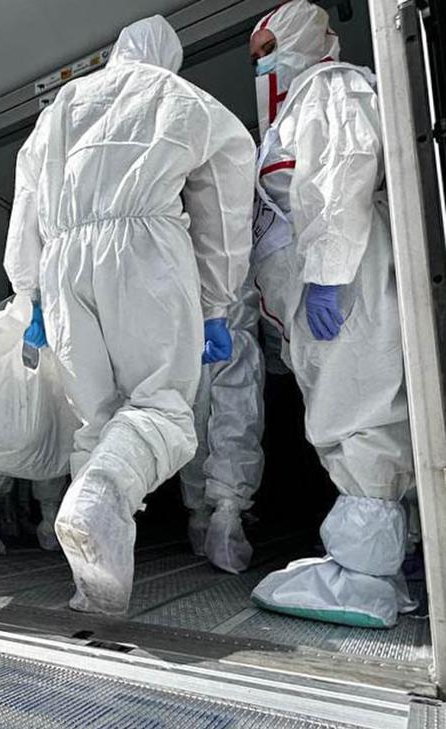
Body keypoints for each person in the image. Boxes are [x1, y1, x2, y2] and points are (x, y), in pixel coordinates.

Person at [4, 16, 255, 615]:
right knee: (162, 407)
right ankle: (101, 494)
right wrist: (217, 302)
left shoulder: (63, 104)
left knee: (95, 421)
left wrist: (30, 294)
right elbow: (224, 192)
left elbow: (26, 202)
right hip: (144, 254)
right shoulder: (175, 93)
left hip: (64, 266)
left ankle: (97, 583)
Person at [247, 0, 416, 628]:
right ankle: (383, 567)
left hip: (347, 281)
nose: (262, 65)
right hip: (326, 285)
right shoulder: (293, 110)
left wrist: (326, 275)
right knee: (346, 409)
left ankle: (363, 578)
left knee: (359, 412)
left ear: (303, 38)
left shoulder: (331, 86)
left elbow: (341, 178)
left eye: (269, 49)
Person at [0, 295, 68, 555]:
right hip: (44, 393)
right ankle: (49, 523)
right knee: (49, 451)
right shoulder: (58, 306)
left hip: (5, 395)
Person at [180, 274, 265, 574]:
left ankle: (200, 517)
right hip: (233, 319)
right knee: (236, 416)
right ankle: (226, 514)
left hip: (185, 322)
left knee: (192, 415)